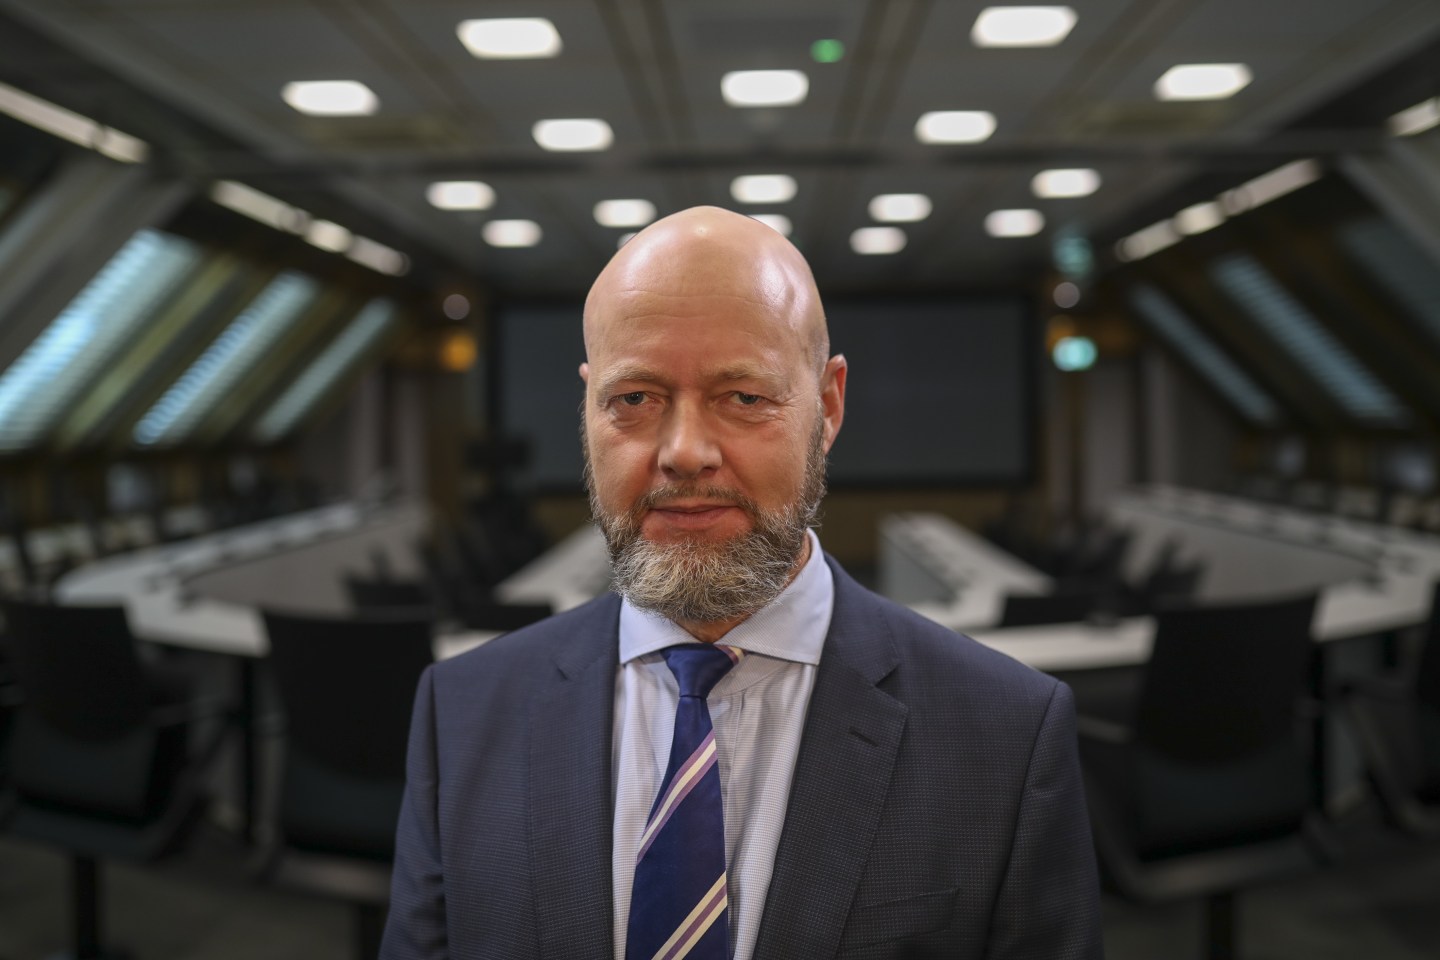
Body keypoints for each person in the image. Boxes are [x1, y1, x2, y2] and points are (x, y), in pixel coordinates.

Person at [381, 206, 1103, 960]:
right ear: (588, 406)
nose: (685, 453)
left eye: (744, 397)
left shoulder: (1006, 736)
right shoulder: (459, 716)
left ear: (827, 406)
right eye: (634, 399)